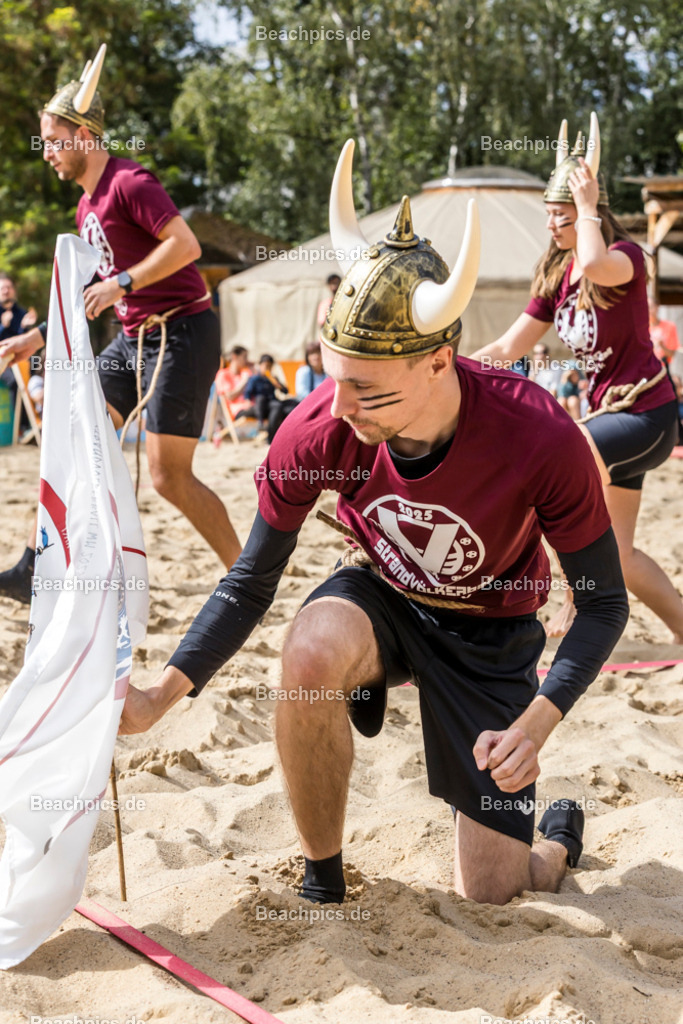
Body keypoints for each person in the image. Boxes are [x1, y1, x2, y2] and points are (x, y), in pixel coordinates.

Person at [118, 141, 629, 907]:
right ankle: (323, 879)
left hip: (491, 631)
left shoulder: (538, 436)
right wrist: (163, 692)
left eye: (368, 389)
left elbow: (601, 604)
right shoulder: (320, 426)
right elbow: (251, 579)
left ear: (437, 361)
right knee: (309, 651)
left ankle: (554, 840)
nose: (343, 406)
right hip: (385, 597)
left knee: (493, 892)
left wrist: (536, 722)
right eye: (334, 378)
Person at [0, 45, 241, 604]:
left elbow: (186, 246)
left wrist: (124, 283)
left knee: (168, 477)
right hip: (132, 340)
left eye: (55, 142)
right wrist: (34, 338)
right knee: (72, 437)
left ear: (84, 137)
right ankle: (39, 567)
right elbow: (91, 298)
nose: (48, 155)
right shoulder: (86, 209)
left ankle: (246, 577)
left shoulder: (130, 183)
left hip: (182, 331)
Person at [472, 113, 682, 642]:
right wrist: (455, 369)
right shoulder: (555, 273)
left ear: (587, 212)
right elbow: (509, 346)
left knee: (558, 462)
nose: (550, 225)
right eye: (549, 215)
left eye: (559, 215)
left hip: (646, 417)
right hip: (612, 419)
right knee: (623, 554)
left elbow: (593, 262)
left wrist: (588, 208)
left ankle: (573, 609)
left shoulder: (624, 258)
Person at [239, 354, 296, 443]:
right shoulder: (255, 379)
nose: (267, 368)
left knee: (292, 404)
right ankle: (269, 435)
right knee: (271, 403)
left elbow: (286, 391)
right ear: (260, 365)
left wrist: (278, 385)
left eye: (270, 366)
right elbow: (248, 393)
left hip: (273, 403)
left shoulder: (272, 378)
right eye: (266, 366)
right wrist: (248, 402)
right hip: (261, 406)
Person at [215, 345, 253, 418]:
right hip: (238, 410)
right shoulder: (223, 374)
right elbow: (230, 396)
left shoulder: (245, 373)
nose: (247, 361)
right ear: (234, 356)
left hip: (252, 407)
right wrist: (244, 381)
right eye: (244, 357)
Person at [648, 298, 680, 366]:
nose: (649, 311)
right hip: (645, 368)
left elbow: (671, 354)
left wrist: (661, 345)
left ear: (657, 307)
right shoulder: (641, 329)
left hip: (662, 368)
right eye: (646, 308)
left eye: (650, 307)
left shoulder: (669, 326)